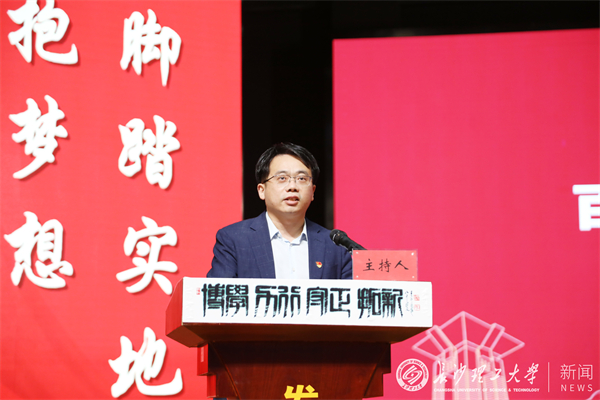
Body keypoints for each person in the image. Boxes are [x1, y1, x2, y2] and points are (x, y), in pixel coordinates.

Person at [207, 143, 352, 279]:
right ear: (261, 190)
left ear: (313, 191)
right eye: (282, 178)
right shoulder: (234, 240)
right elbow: (218, 294)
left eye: (302, 178)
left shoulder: (336, 246)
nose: (292, 186)